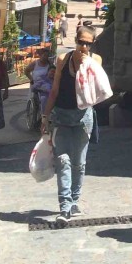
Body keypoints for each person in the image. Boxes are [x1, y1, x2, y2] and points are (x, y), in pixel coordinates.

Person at [42, 25, 101, 224]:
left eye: (88, 43)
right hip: (62, 116)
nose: (83, 47)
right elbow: (55, 89)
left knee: (79, 163)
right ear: (75, 41)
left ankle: (75, 200)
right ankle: (65, 206)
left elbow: (99, 89)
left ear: (93, 45)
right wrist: (45, 116)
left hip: (84, 117)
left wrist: (86, 64)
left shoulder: (96, 61)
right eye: (80, 42)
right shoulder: (62, 60)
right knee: (63, 161)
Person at [24, 48, 55, 114]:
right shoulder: (35, 64)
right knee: (42, 98)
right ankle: (42, 114)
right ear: (40, 55)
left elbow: (54, 72)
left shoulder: (50, 64)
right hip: (37, 84)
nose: (45, 57)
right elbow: (26, 71)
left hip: (47, 83)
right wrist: (31, 79)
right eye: (44, 55)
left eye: (47, 56)